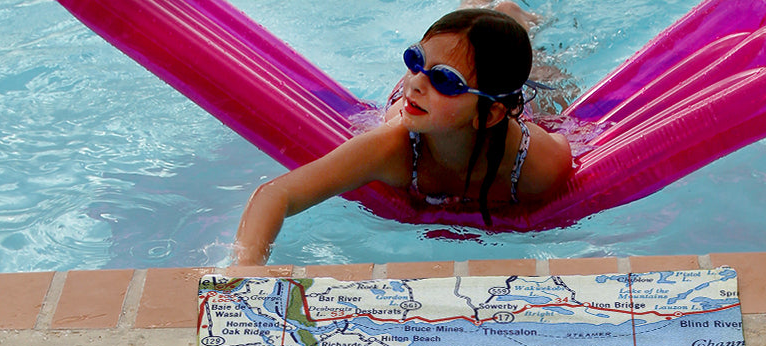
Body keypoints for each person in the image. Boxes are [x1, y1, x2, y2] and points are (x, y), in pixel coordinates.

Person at [231, 6, 573, 265]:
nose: (416, 81)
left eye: (445, 80)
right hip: (438, 111)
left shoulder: (536, 164)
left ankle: (511, 14)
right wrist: (246, 272)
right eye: (414, 59)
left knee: (544, 83)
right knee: (475, 43)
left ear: (494, 114)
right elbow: (276, 194)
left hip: (493, 115)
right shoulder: (393, 146)